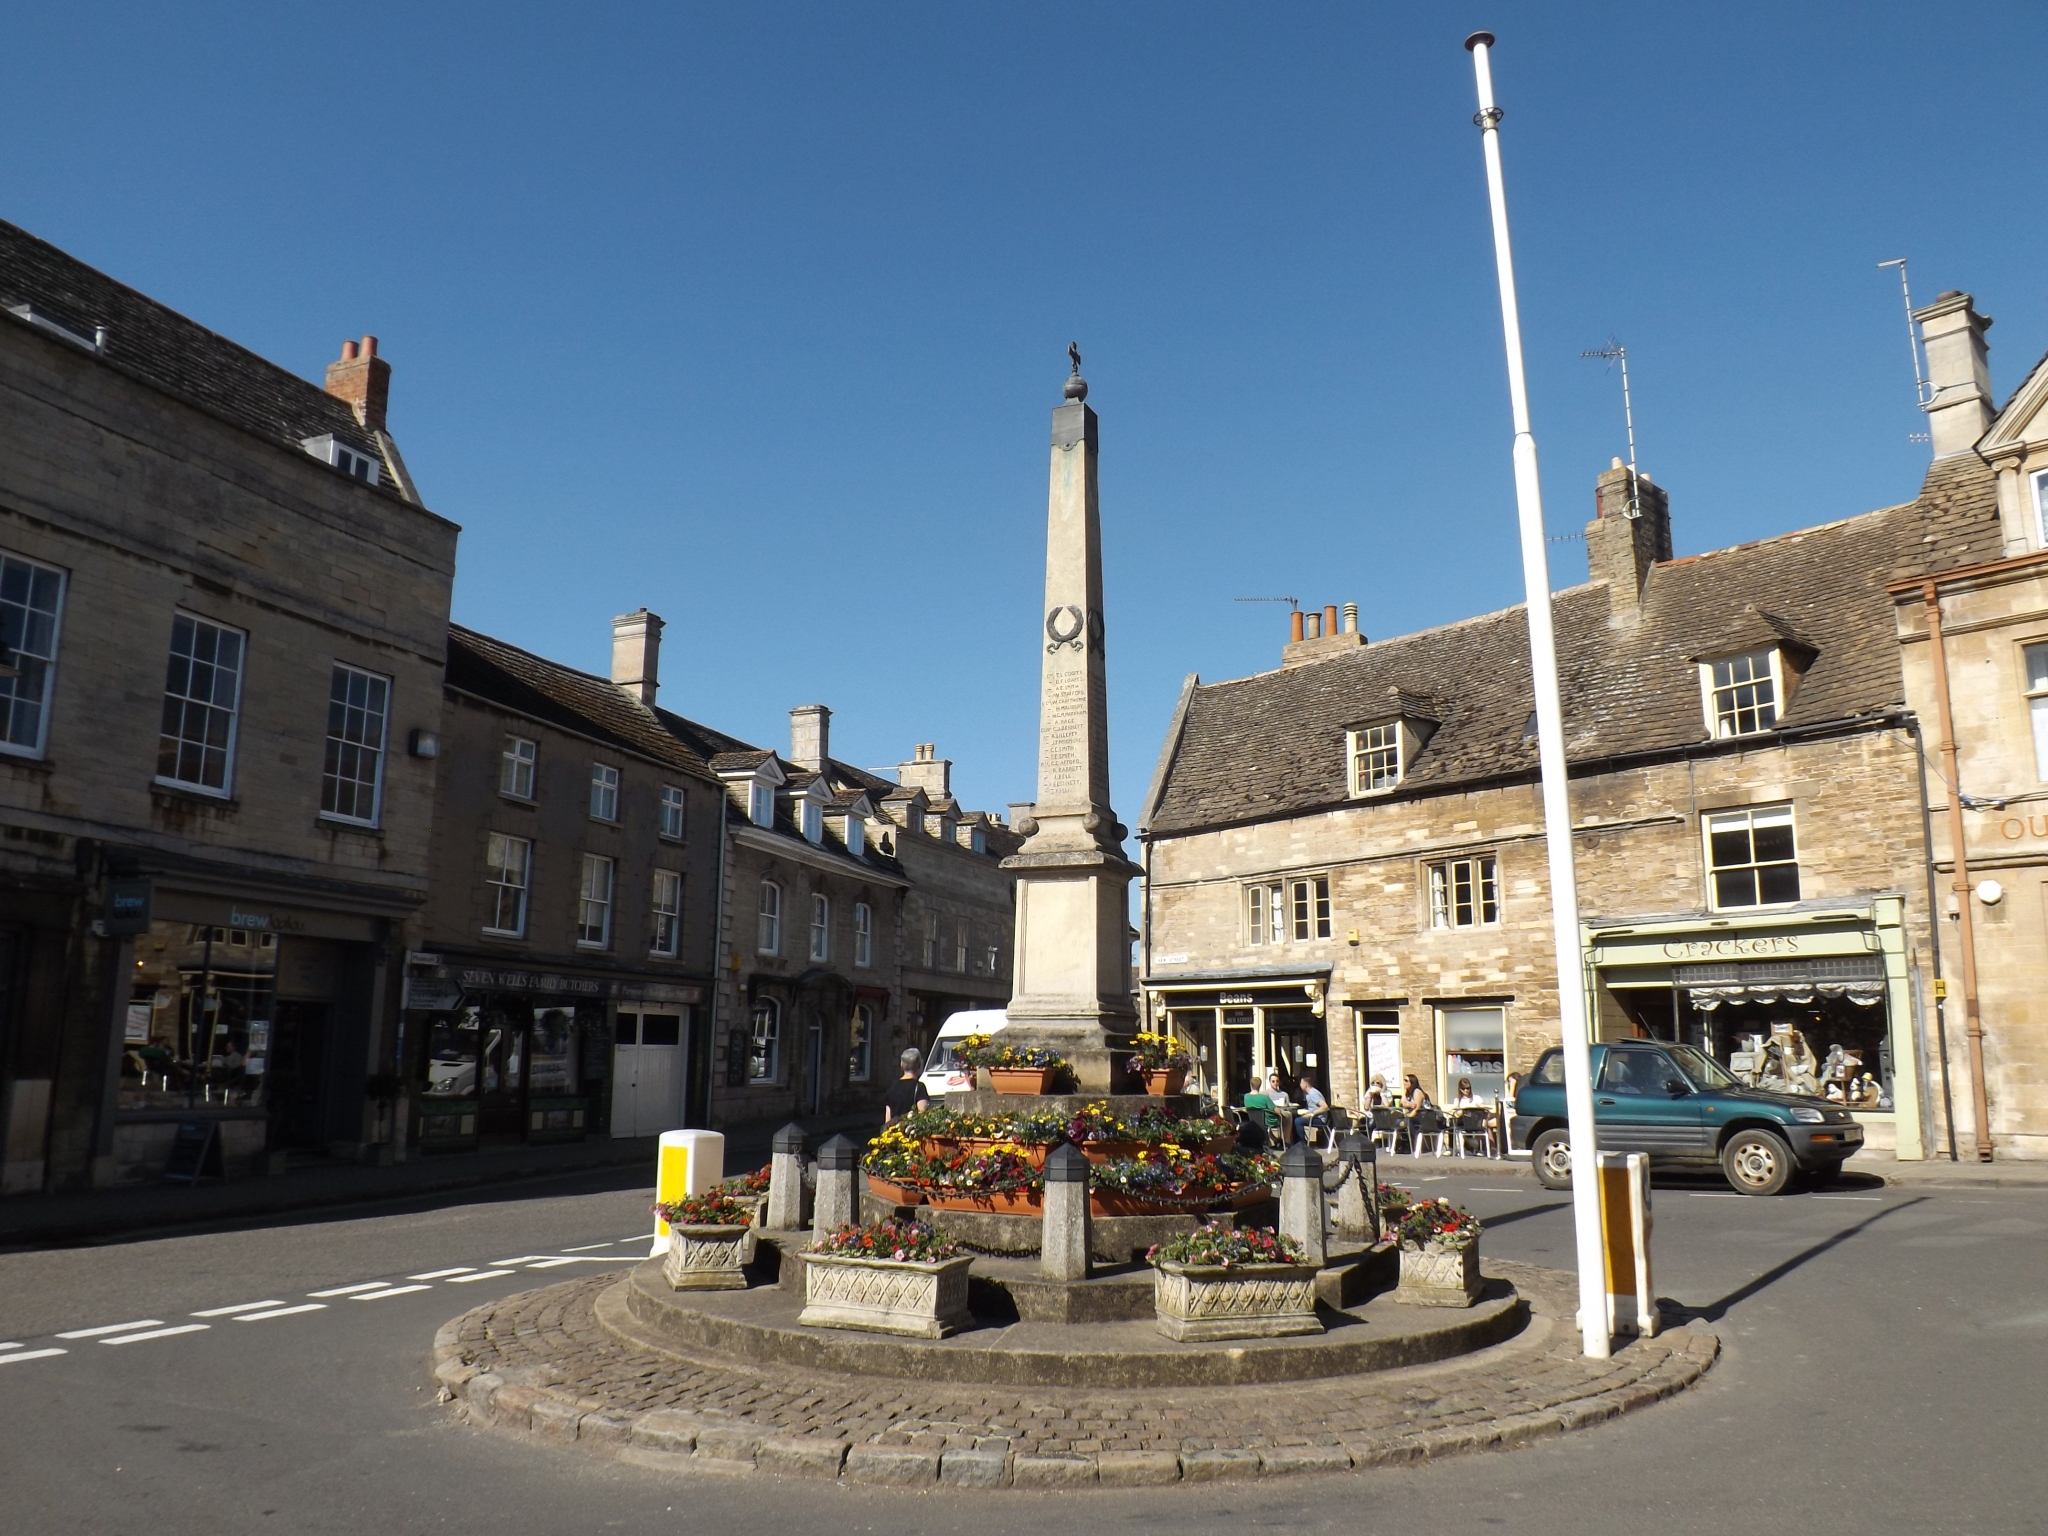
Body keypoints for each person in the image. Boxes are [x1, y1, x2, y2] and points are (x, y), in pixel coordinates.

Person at [882, 1048, 928, 1124]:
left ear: (901, 1066)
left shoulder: (892, 1087)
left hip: (894, 1133)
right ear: (919, 1065)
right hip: (911, 1133)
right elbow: (924, 1116)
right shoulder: (919, 1087)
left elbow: (888, 1120)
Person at [1294, 1074, 1329, 1143]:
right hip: (1315, 1117)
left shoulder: (1313, 1093)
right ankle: (1295, 1142)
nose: (1300, 1085)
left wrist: (1312, 1114)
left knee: (1298, 1121)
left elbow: (1325, 1107)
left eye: (1301, 1083)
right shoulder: (1307, 1094)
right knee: (1295, 1117)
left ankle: (1302, 1143)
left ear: (1305, 1085)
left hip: (1320, 1119)